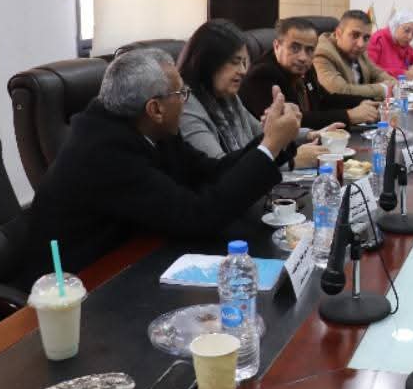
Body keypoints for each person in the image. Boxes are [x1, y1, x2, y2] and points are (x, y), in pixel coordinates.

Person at [25, 49, 300, 282]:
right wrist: (270, 146)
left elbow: (212, 172)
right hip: (85, 282)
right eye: (181, 93)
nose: (185, 101)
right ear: (155, 109)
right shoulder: (103, 152)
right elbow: (198, 216)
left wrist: (272, 141)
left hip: (142, 253)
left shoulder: (150, 127)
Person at [178, 20, 341, 167]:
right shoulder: (186, 106)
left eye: (244, 62)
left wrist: (311, 135)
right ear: (208, 62)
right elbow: (220, 168)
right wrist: (291, 161)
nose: (243, 71)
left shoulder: (228, 97)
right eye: (235, 62)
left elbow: (263, 133)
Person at [241, 17, 379, 129]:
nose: (303, 57)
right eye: (295, 48)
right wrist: (349, 116)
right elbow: (293, 121)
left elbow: (323, 99)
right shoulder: (262, 75)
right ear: (277, 46)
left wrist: (367, 102)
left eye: (309, 50)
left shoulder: (304, 67)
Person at [314, 10, 395, 99]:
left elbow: (379, 74)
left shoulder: (359, 51)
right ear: (338, 34)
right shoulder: (323, 53)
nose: (361, 44)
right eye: (355, 35)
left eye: (366, 38)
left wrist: (392, 85)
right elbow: (340, 91)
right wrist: (382, 89)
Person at [367, 10, 413, 79]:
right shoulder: (377, 40)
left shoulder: (404, 45)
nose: (410, 37)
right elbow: (369, 71)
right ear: (395, 26)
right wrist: (403, 73)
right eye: (407, 31)